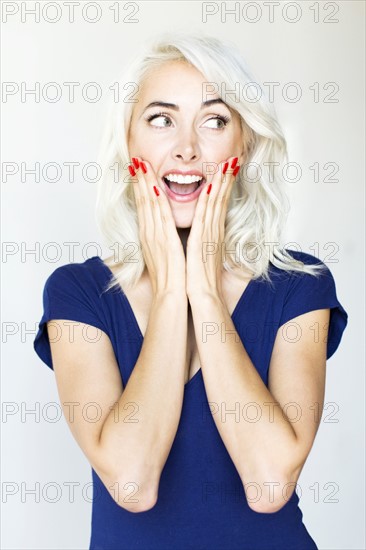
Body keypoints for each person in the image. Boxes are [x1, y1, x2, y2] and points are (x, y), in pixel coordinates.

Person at [34, 33, 348, 550]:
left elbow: (270, 484)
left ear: (242, 145)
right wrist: (167, 293)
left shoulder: (299, 286)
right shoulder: (79, 293)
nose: (187, 148)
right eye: (161, 119)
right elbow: (132, 485)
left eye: (215, 120)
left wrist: (202, 289)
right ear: (129, 143)